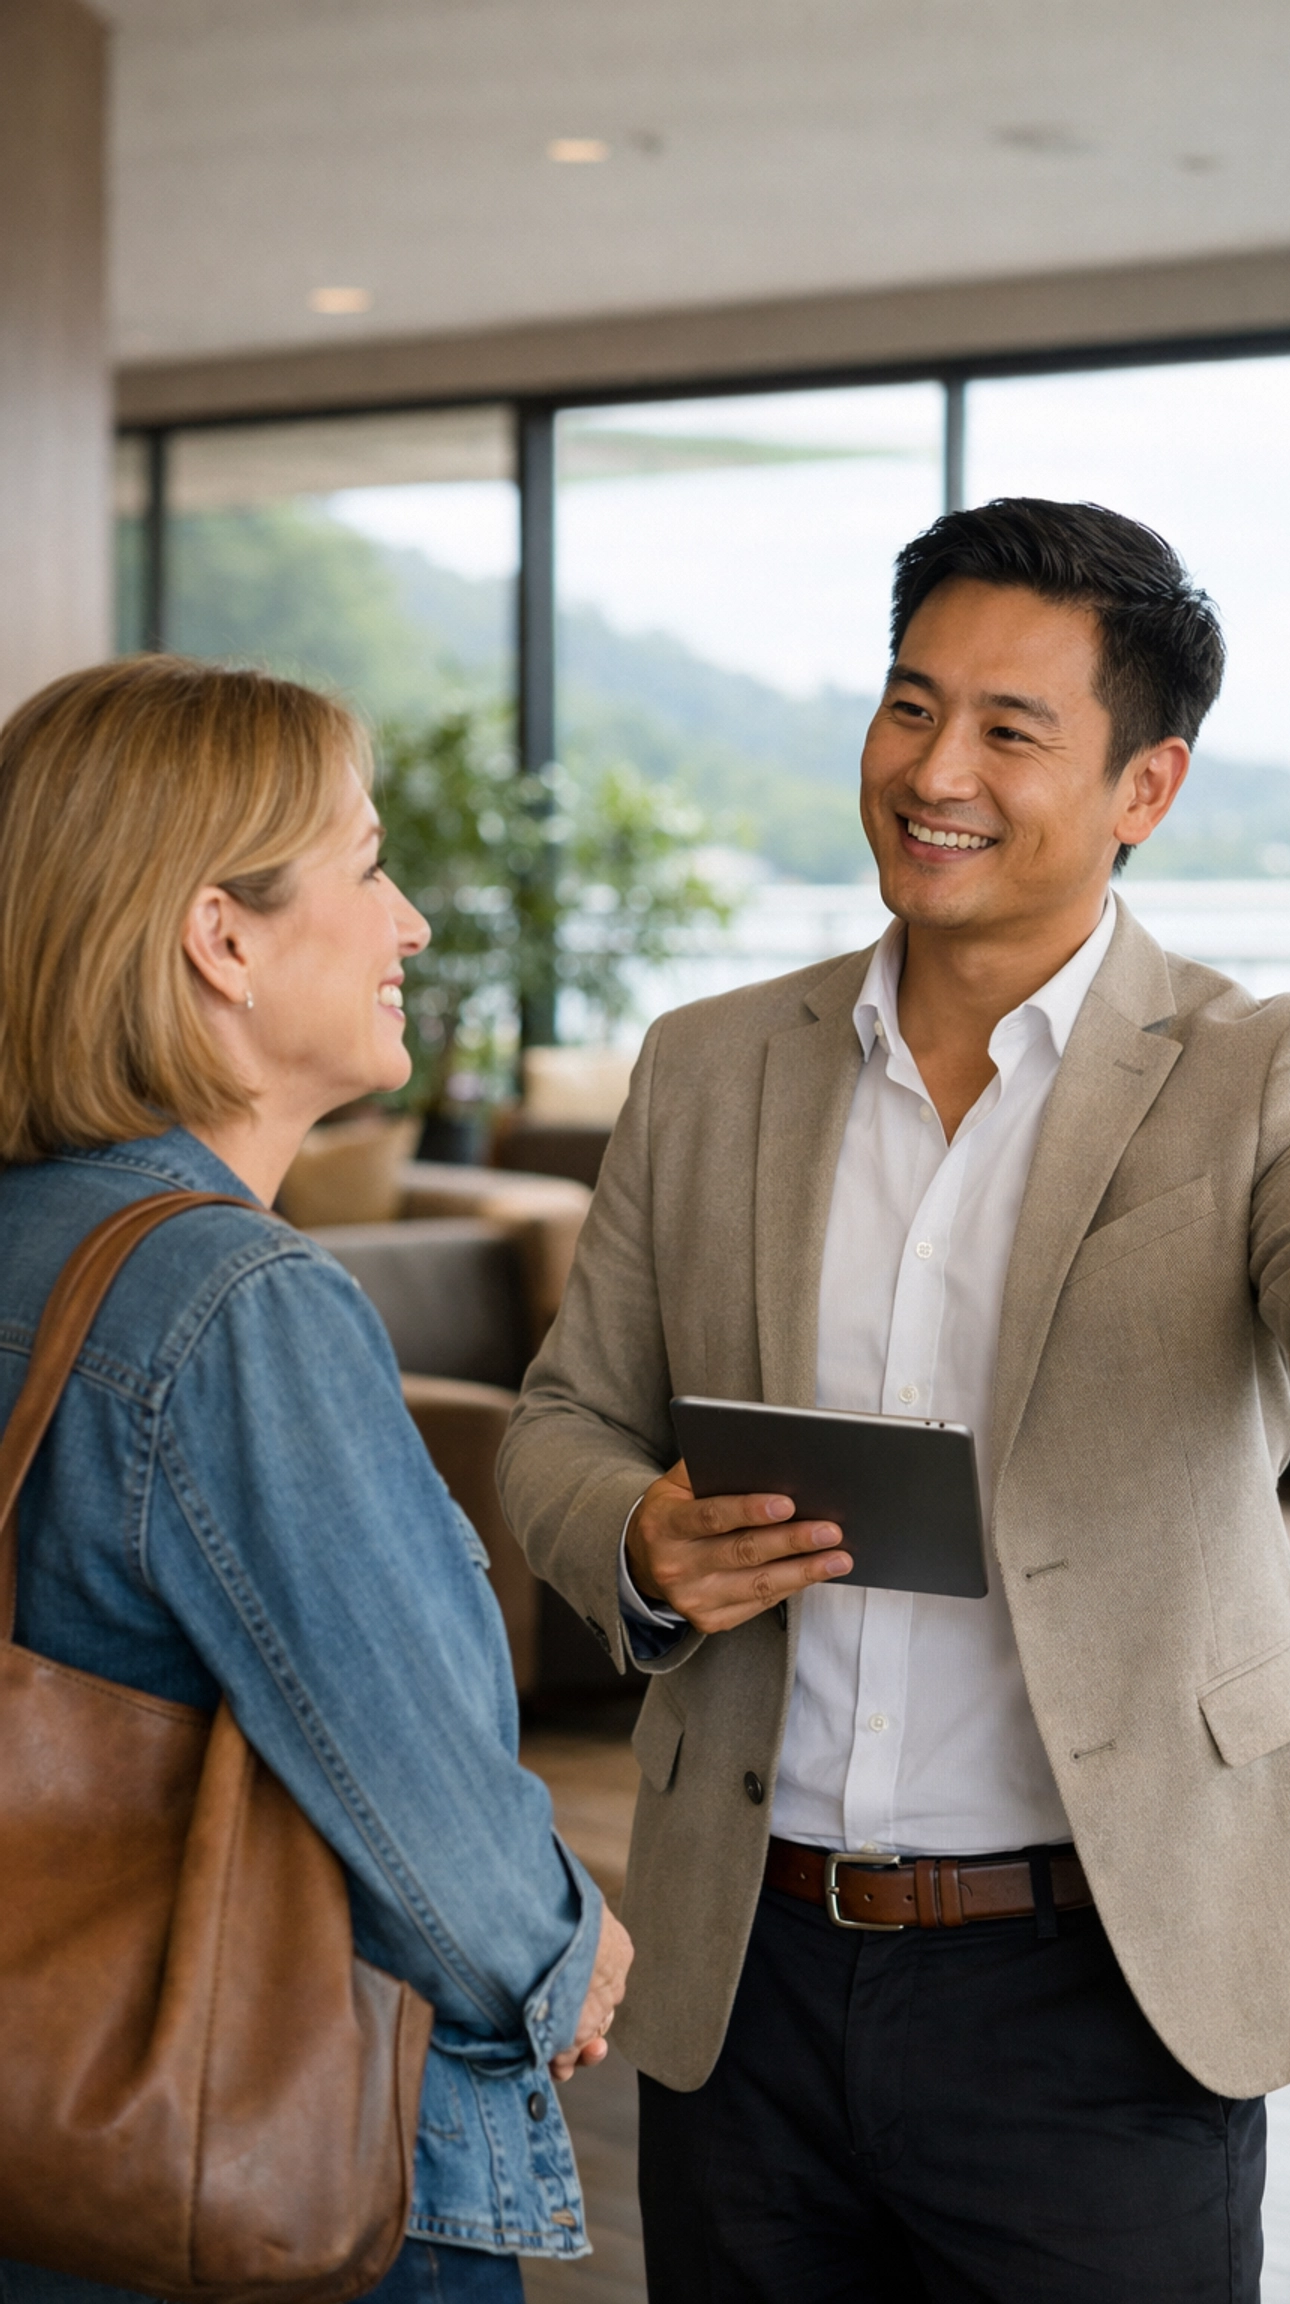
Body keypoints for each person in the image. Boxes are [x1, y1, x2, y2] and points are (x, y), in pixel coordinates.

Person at [498, 498, 1290, 2302]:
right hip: (753, 1970)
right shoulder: (711, 1065)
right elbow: (557, 1428)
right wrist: (639, 1543)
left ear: (1148, 787)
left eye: (1008, 731)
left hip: (1100, 1982)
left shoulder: (1258, 1063)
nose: (933, 768)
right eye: (907, 706)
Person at [0, 657, 631, 2304]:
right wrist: (566, 1948)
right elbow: (416, 1797)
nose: (410, 923)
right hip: (258, 2177)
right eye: (366, 868)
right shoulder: (235, 1310)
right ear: (222, 938)